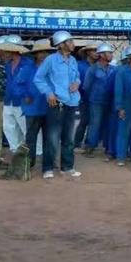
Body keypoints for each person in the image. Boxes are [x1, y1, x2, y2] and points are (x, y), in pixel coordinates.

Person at [33, 30, 82, 179]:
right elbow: (38, 78)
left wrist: (76, 83)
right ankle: (47, 168)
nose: (73, 44)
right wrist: (48, 93)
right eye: (70, 41)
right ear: (61, 45)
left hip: (71, 102)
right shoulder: (51, 60)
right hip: (56, 103)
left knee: (69, 138)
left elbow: (77, 77)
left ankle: (67, 167)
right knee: (52, 138)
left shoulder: (73, 60)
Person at [19, 39, 54, 169]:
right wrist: (25, 95)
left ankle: (48, 164)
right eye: (41, 52)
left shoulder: (53, 69)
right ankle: (29, 162)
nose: (43, 55)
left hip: (50, 108)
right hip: (32, 108)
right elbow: (18, 85)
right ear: (35, 54)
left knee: (50, 138)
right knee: (31, 137)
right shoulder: (27, 69)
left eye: (46, 52)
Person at [83, 43, 115, 157]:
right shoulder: (93, 69)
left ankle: (108, 147)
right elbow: (86, 86)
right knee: (95, 124)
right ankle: (90, 147)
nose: (111, 55)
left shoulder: (113, 69)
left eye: (111, 53)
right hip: (96, 101)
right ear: (101, 55)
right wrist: (93, 96)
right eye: (109, 53)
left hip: (110, 101)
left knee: (109, 124)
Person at [0, 40, 31, 153]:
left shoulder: (28, 63)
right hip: (8, 99)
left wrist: (27, 95)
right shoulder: (8, 65)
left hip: (23, 100)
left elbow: (31, 82)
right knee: (8, 127)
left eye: (6, 51)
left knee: (26, 128)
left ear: (12, 51)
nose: (3, 53)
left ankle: (35, 151)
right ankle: (15, 150)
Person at [74, 44, 97, 150]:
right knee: (84, 120)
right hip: (83, 97)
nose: (97, 53)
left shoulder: (99, 66)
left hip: (96, 98)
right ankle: (77, 142)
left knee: (94, 121)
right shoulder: (79, 65)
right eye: (94, 50)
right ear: (88, 52)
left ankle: (89, 143)